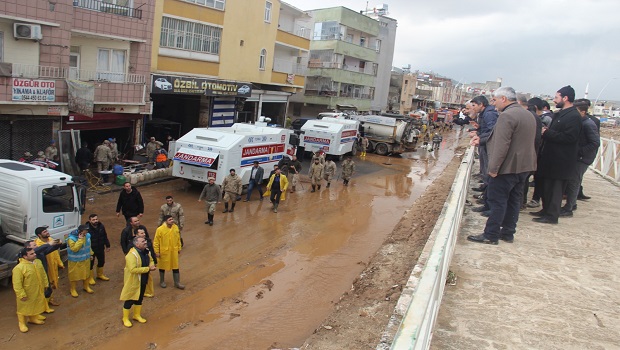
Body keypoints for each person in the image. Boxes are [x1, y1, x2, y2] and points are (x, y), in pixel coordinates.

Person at [467, 87, 537, 245]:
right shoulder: (528, 115)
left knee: (497, 201)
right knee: (514, 201)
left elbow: (501, 145)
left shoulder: (507, 116)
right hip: (524, 166)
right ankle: (507, 233)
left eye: (494, 100)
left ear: (503, 99)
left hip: (507, 167)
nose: (493, 103)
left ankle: (490, 235)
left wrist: (493, 169)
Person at [531, 85, 582, 224]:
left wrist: (547, 133)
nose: (554, 100)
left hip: (561, 160)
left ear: (565, 98)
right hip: (551, 158)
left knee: (555, 189)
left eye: (556, 97)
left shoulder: (573, 116)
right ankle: (546, 210)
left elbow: (570, 138)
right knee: (547, 186)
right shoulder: (561, 113)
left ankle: (552, 215)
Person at [561, 100, 600, 217]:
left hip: (583, 158)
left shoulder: (588, 124)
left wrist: (579, 152)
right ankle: (571, 204)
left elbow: (595, 142)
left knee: (574, 181)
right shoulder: (583, 122)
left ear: (583, 112)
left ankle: (569, 208)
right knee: (573, 181)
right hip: (580, 157)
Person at [119, 236, 156, 328]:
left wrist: (151, 265)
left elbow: (151, 260)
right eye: (143, 241)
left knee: (140, 298)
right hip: (133, 281)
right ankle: (125, 318)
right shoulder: (131, 255)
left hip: (143, 279)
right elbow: (132, 269)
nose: (145, 242)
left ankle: (136, 315)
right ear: (137, 244)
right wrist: (148, 268)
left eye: (145, 240)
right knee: (130, 299)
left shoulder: (146, 251)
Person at [12, 247, 49, 333]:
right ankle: (21, 323)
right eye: (31, 254)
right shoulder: (19, 268)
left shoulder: (38, 262)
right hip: (26, 292)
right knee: (23, 308)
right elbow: (17, 284)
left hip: (37, 289)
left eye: (34, 253)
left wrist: (45, 284)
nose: (35, 254)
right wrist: (21, 294)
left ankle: (33, 318)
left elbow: (43, 273)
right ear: (25, 256)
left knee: (35, 303)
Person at [34, 227, 64, 304]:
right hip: (45, 268)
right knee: (46, 286)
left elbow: (55, 254)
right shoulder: (37, 245)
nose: (47, 232)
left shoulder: (51, 240)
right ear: (39, 235)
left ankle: (50, 300)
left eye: (47, 231)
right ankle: (44, 303)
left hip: (53, 267)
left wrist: (60, 263)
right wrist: (49, 245)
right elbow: (43, 252)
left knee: (52, 283)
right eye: (44, 232)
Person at [153, 215, 184, 290]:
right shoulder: (160, 229)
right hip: (164, 252)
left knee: (175, 266)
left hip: (174, 251)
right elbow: (156, 242)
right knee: (162, 266)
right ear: (165, 221)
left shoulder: (175, 227)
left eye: (172, 219)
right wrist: (157, 251)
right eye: (170, 219)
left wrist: (179, 247)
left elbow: (178, 238)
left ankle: (177, 282)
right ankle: (162, 281)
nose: (172, 221)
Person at [66, 225, 94, 297]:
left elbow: (88, 246)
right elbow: (74, 249)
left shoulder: (87, 236)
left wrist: (90, 254)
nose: (87, 232)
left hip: (85, 259)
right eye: (86, 230)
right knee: (74, 275)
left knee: (86, 273)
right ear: (81, 231)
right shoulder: (71, 238)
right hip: (75, 260)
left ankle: (86, 286)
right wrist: (80, 240)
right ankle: (73, 289)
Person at [85, 214, 111, 284]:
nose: (95, 221)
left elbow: (105, 236)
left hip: (100, 247)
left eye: (96, 219)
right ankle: (90, 277)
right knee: (91, 263)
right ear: (89, 221)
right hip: (91, 249)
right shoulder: (86, 229)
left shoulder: (101, 226)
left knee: (101, 261)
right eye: (93, 220)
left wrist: (107, 245)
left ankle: (100, 275)